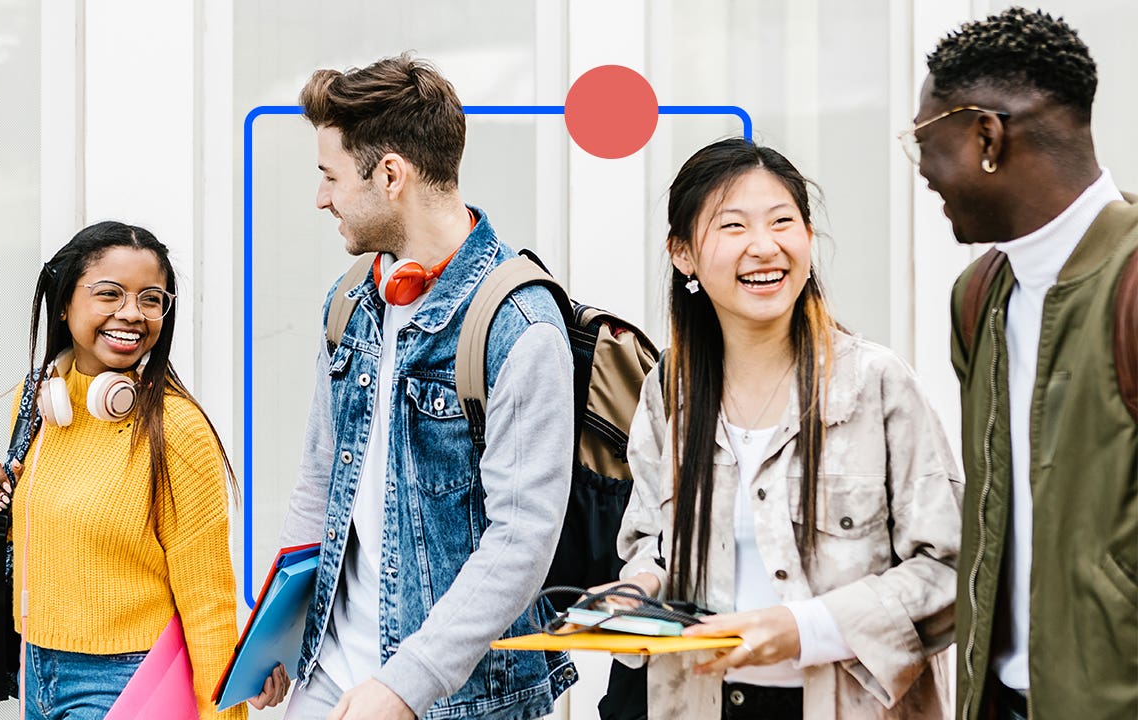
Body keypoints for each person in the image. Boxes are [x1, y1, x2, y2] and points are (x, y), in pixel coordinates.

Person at [608, 138, 962, 719]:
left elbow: (950, 569)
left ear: (808, 239)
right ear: (683, 255)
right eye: (733, 227)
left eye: (782, 222)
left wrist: (807, 628)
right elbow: (651, 543)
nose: (764, 247)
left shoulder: (876, 384)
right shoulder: (668, 388)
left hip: (844, 703)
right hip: (699, 701)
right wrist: (636, 591)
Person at [272, 53, 576, 720]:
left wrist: (406, 682)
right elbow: (320, 484)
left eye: (329, 176)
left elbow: (521, 540)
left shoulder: (520, 326)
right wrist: (279, 636)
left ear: (390, 175)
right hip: (330, 682)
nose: (321, 197)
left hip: (461, 700)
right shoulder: (352, 299)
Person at [904, 8, 1138, 720]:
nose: (921, 172)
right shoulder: (978, 298)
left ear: (986, 137)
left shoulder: (1129, 286)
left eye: (924, 140)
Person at [0, 221, 276, 719]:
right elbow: (85, 544)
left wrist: (226, 710)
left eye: (151, 299)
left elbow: (208, 599)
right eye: (109, 293)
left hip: (126, 678)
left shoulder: (175, 426)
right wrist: (0, 516)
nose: (132, 313)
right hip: (36, 668)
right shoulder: (39, 403)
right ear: (64, 303)